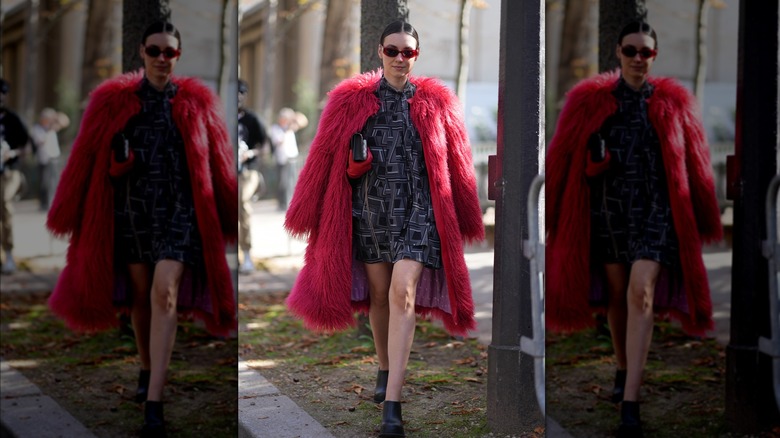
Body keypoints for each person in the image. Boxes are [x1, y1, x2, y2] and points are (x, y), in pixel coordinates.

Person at [283, 20, 483, 437]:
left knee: (402, 290)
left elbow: (458, 162)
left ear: (416, 55)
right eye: (392, 50)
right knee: (379, 295)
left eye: (408, 51)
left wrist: (465, 213)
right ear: (380, 52)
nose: (399, 58)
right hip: (370, 210)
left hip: (421, 210)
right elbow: (324, 158)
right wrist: (351, 170)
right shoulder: (350, 101)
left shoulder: (437, 102)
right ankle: (385, 366)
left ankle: (393, 403)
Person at [45, 21, 237, 437]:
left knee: (164, 291)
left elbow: (219, 162)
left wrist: (229, 214)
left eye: (170, 52)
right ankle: (147, 367)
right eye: (155, 51)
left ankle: (154, 400)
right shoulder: (112, 101)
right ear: (141, 52)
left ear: (178, 56)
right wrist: (112, 171)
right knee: (140, 296)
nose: (162, 59)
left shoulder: (198, 102)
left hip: (181, 211)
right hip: (132, 211)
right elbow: (85, 157)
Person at [545, 21, 722, 437]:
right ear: (618, 53)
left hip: (657, 212)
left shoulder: (674, 103)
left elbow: (695, 161)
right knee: (617, 296)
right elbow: (564, 158)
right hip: (609, 211)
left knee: (641, 291)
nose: (639, 59)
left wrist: (704, 214)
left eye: (646, 52)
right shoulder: (590, 101)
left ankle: (631, 402)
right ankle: (623, 368)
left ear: (654, 56)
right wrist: (587, 171)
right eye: (631, 51)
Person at [0, 78, 30, 275]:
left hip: (9, 171)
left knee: (4, 203)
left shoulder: (12, 119)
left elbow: (26, 146)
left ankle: (9, 253)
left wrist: (12, 153)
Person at [237, 79, 267, 274]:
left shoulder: (252, 119)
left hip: (248, 171)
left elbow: (264, 146)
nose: (238, 96)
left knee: (242, 203)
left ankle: (247, 254)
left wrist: (250, 154)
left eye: (241, 92)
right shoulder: (223, 115)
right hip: (226, 170)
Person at [31, 107, 69, 211]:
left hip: (54, 158)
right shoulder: (37, 129)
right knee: (44, 183)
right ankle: (44, 203)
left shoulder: (52, 128)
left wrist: (56, 120)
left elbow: (65, 121)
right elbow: (40, 141)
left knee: (54, 181)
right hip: (43, 159)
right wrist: (49, 130)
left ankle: (52, 202)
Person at [269, 107, 307, 211]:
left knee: (291, 182)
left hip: (292, 158)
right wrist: (288, 130)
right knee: (282, 183)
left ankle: (289, 203)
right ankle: (282, 204)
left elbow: (303, 122)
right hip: (281, 159)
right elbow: (278, 141)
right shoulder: (276, 129)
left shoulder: (290, 128)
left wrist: (293, 124)